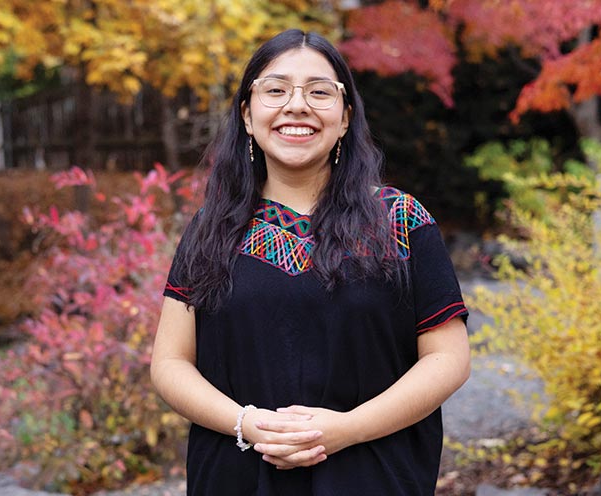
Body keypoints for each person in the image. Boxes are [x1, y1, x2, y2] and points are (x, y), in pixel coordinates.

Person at [150, 29, 471, 495]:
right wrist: (248, 423)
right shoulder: (211, 229)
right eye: (275, 89)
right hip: (238, 476)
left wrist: (348, 429)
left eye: (320, 92)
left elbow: (448, 358)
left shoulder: (400, 220)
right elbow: (171, 363)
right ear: (247, 114)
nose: (296, 105)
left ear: (344, 118)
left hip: (373, 476)